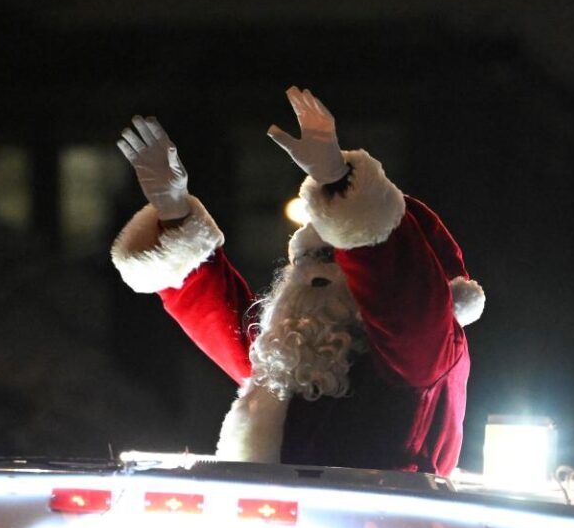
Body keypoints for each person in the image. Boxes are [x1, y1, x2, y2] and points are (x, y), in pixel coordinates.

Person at [110, 87, 481, 476]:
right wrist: (173, 211)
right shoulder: (297, 350)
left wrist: (339, 181)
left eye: (337, 256)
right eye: (309, 257)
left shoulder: (423, 354)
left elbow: (403, 295)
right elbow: (214, 309)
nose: (318, 271)